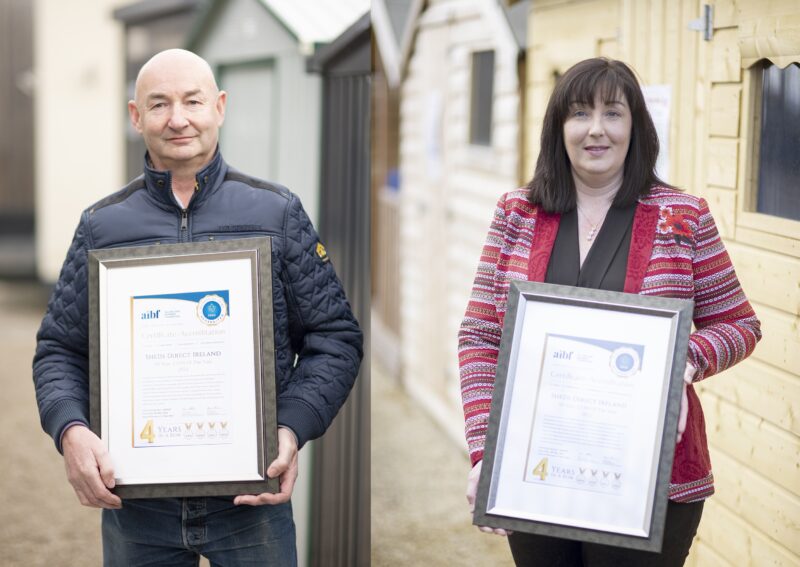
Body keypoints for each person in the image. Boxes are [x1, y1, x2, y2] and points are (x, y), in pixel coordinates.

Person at [32, 49, 362, 566]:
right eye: (159, 104)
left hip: (251, 502)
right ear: (136, 116)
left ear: (220, 106)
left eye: (193, 100)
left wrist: (292, 426)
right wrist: (70, 430)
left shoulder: (276, 213)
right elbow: (58, 349)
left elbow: (335, 338)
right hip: (138, 507)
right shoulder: (102, 226)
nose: (178, 118)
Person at [459, 58, 760, 566]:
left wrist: (680, 363)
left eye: (612, 113)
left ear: (635, 126)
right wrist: (486, 452)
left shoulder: (682, 217)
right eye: (579, 113)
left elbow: (740, 324)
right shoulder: (516, 213)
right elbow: (481, 336)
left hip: (649, 481)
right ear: (559, 129)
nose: (596, 129)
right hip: (534, 469)